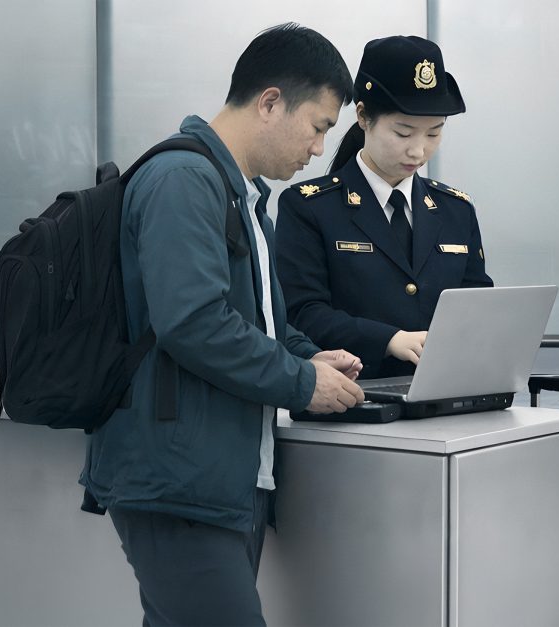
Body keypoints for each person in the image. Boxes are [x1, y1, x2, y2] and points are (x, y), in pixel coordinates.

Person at [79, 23, 364, 627]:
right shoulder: (184, 181)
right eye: (318, 127)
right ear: (270, 102)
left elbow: (260, 322)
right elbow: (193, 322)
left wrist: (310, 357)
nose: (319, 149)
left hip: (217, 481)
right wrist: (301, 383)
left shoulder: (240, 195)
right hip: (177, 483)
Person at [276, 35, 493, 380]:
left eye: (433, 134)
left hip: (446, 392)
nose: (418, 152)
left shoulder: (457, 210)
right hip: (354, 395)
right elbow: (300, 313)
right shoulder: (309, 207)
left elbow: (478, 307)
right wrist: (387, 339)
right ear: (363, 116)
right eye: (404, 133)